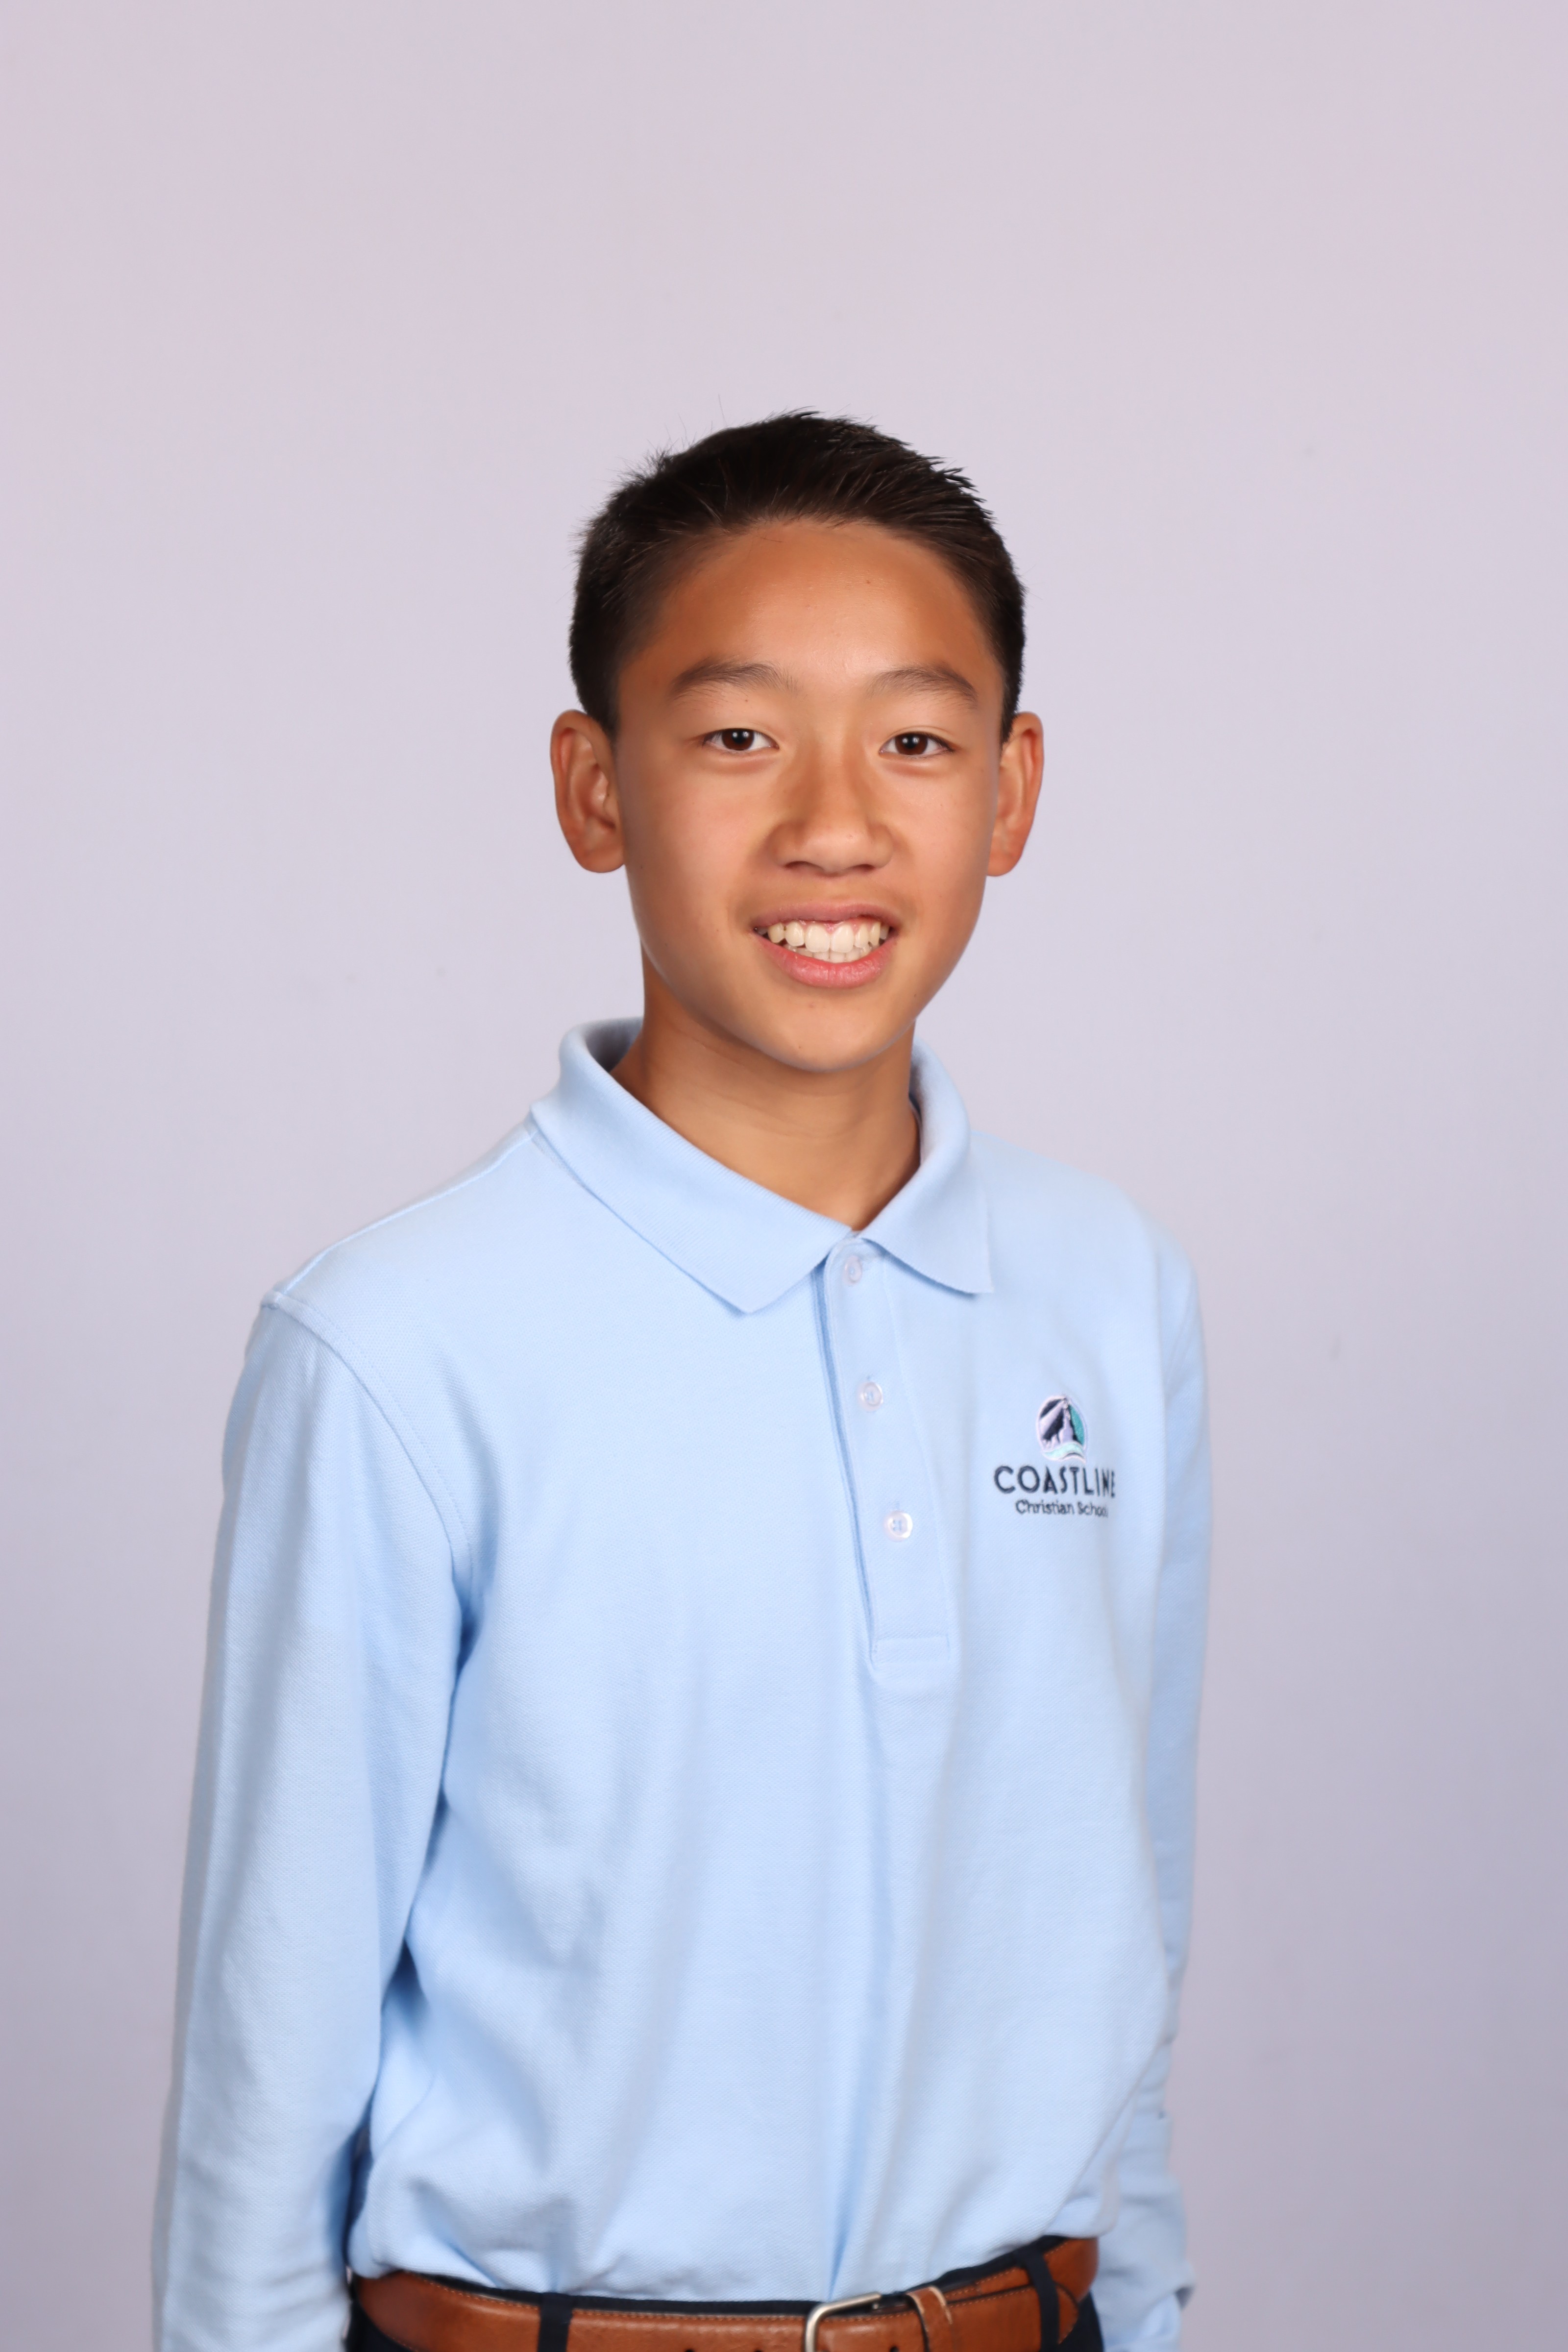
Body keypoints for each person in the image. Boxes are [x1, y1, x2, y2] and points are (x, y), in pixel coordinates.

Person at [153, 414, 1210, 2352]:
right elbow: (269, 2053)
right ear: (594, 786)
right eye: (736, 735)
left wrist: (1137, 2315)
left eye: (915, 740)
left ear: (1011, 790)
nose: (833, 822)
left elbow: (1113, 1908)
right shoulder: (397, 1343)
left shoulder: (1108, 1293)